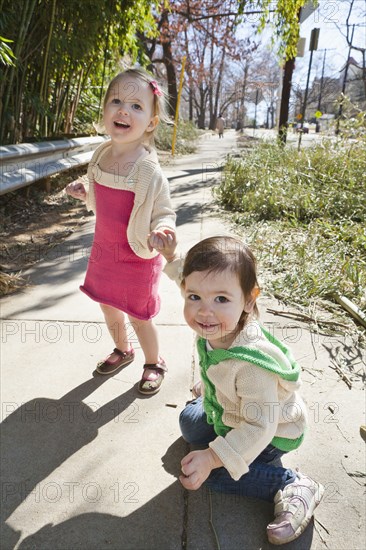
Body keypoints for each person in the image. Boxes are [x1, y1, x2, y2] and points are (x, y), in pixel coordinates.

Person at [150, 233, 324, 545]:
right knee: (190, 424)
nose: (205, 311)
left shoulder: (251, 365)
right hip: (234, 409)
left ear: (249, 299)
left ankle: (291, 485)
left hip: (272, 431)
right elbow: (186, 279)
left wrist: (213, 458)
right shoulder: (218, 320)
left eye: (221, 299)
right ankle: (213, 404)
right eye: (194, 298)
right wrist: (172, 255)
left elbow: (259, 426)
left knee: (214, 476)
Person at [65, 68, 176, 395]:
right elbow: (102, 192)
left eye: (136, 106)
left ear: (151, 123)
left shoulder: (148, 170)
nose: (124, 110)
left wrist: (163, 229)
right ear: (105, 110)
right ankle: (123, 349)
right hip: (105, 252)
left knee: (139, 314)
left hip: (137, 256)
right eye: (116, 101)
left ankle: (154, 361)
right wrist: (85, 190)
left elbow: (163, 209)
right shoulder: (101, 154)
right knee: (107, 304)